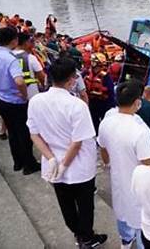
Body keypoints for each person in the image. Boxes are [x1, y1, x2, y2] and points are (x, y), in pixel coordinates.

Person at [27, 57, 107, 248]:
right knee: (85, 205)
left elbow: (34, 135)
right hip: (79, 168)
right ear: (72, 79)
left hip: (53, 167)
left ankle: (77, 233)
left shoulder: (36, 101)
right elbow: (77, 142)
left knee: (66, 204)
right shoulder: (77, 105)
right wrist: (64, 164)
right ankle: (86, 238)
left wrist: (51, 158)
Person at [98, 80, 150, 249]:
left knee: (122, 212)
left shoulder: (106, 122)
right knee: (141, 220)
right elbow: (148, 164)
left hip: (118, 179)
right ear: (137, 101)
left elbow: (103, 148)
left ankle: (125, 240)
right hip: (138, 185)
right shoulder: (140, 131)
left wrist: (109, 163)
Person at [0, 27, 40, 174]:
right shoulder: (11, 59)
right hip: (14, 101)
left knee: (12, 131)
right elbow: (20, 82)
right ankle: (29, 165)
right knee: (23, 133)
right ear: (14, 40)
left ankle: (18, 162)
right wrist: (23, 95)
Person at [84, 53, 115, 132]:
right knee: (93, 121)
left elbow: (110, 91)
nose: (92, 63)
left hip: (103, 103)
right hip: (92, 102)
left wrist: (112, 106)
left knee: (104, 123)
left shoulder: (106, 76)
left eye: (94, 61)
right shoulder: (87, 72)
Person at [12, 33, 46, 100]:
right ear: (26, 43)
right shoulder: (30, 58)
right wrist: (44, 87)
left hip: (12, 95)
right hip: (31, 95)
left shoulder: (7, 55)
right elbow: (42, 76)